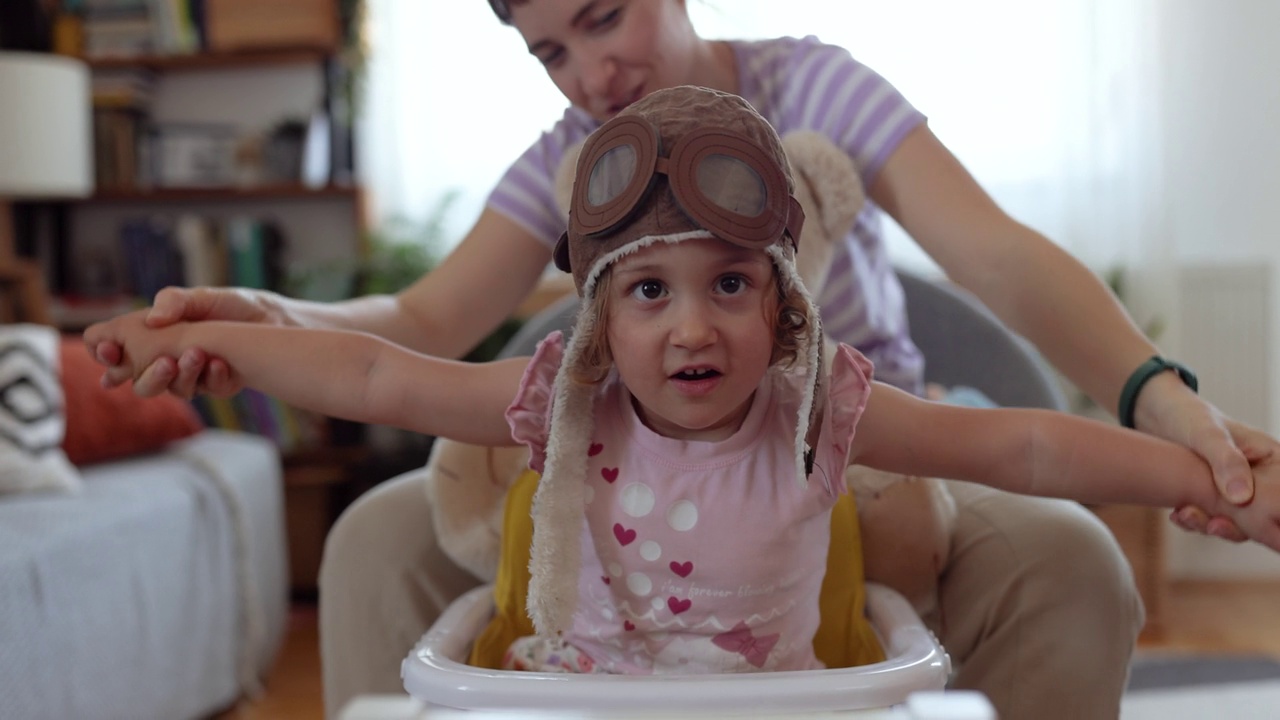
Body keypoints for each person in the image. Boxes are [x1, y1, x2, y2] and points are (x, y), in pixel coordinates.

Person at [84, 1, 1280, 717]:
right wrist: (254, 320)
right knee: (373, 537)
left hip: (871, 440)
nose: (590, 76)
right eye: (549, 50)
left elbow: (996, 262)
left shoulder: (810, 89)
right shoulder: (573, 159)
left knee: (1067, 554)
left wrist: (1171, 419)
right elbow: (406, 343)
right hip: (635, 452)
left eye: (602, 15)